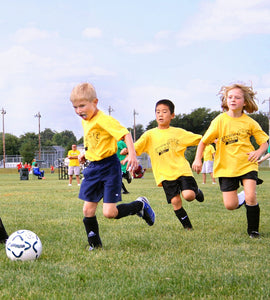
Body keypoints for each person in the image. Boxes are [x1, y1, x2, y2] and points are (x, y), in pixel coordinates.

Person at [70, 82, 155, 251]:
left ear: (95, 102)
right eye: (75, 107)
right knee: (88, 209)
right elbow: (94, 142)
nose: (79, 111)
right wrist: (84, 153)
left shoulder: (104, 120)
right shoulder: (85, 121)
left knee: (109, 213)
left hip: (109, 168)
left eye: (82, 105)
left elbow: (125, 134)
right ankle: (95, 246)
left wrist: (132, 154)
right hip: (93, 168)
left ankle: (140, 205)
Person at [192, 83, 268, 239]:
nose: (233, 100)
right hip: (226, 168)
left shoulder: (250, 122)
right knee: (230, 205)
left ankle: (253, 231)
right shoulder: (219, 121)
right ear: (226, 100)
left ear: (245, 102)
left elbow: (264, 143)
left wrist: (259, 152)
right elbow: (203, 142)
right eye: (230, 97)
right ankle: (243, 196)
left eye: (237, 97)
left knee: (251, 197)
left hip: (247, 164)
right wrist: (197, 159)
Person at [123, 99, 204, 231]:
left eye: (164, 112)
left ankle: (196, 192)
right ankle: (188, 227)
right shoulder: (149, 135)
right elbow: (136, 147)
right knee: (175, 201)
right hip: (164, 174)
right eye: (157, 112)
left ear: (172, 115)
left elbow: (199, 139)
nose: (160, 114)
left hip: (182, 170)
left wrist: (214, 139)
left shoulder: (178, 132)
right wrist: (127, 149)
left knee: (188, 195)